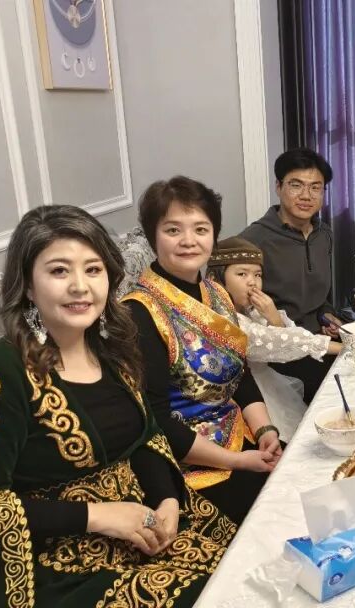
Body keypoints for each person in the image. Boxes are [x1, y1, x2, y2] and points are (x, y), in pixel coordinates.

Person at [0, 205, 234, 606]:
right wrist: (97, 516)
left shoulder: (114, 350)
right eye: (59, 271)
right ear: (28, 286)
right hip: (56, 558)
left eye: (93, 269)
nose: (80, 286)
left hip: (143, 523)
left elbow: (145, 438)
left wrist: (166, 500)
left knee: (249, 570)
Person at [123, 176, 282, 524]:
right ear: (153, 236)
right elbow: (155, 421)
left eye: (200, 229)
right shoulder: (140, 311)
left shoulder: (217, 293)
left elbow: (240, 375)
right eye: (173, 230)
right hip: (187, 462)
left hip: (238, 435)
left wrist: (266, 431)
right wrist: (238, 461)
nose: (189, 241)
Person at [207, 236, 341, 437]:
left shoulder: (248, 310)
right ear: (214, 278)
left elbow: (283, 335)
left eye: (257, 275)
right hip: (243, 398)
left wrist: (273, 316)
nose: (252, 282)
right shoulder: (220, 317)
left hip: (268, 386)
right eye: (242, 274)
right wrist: (343, 347)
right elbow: (276, 340)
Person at [239, 148, 341, 403]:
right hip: (281, 348)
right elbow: (240, 315)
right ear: (278, 186)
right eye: (296, 185)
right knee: (339, 389)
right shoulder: (253, 241)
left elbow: (320, 295)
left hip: (321, 337)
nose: (306, 196)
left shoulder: (323, 234)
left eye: (315, 188)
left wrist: (327, 314)